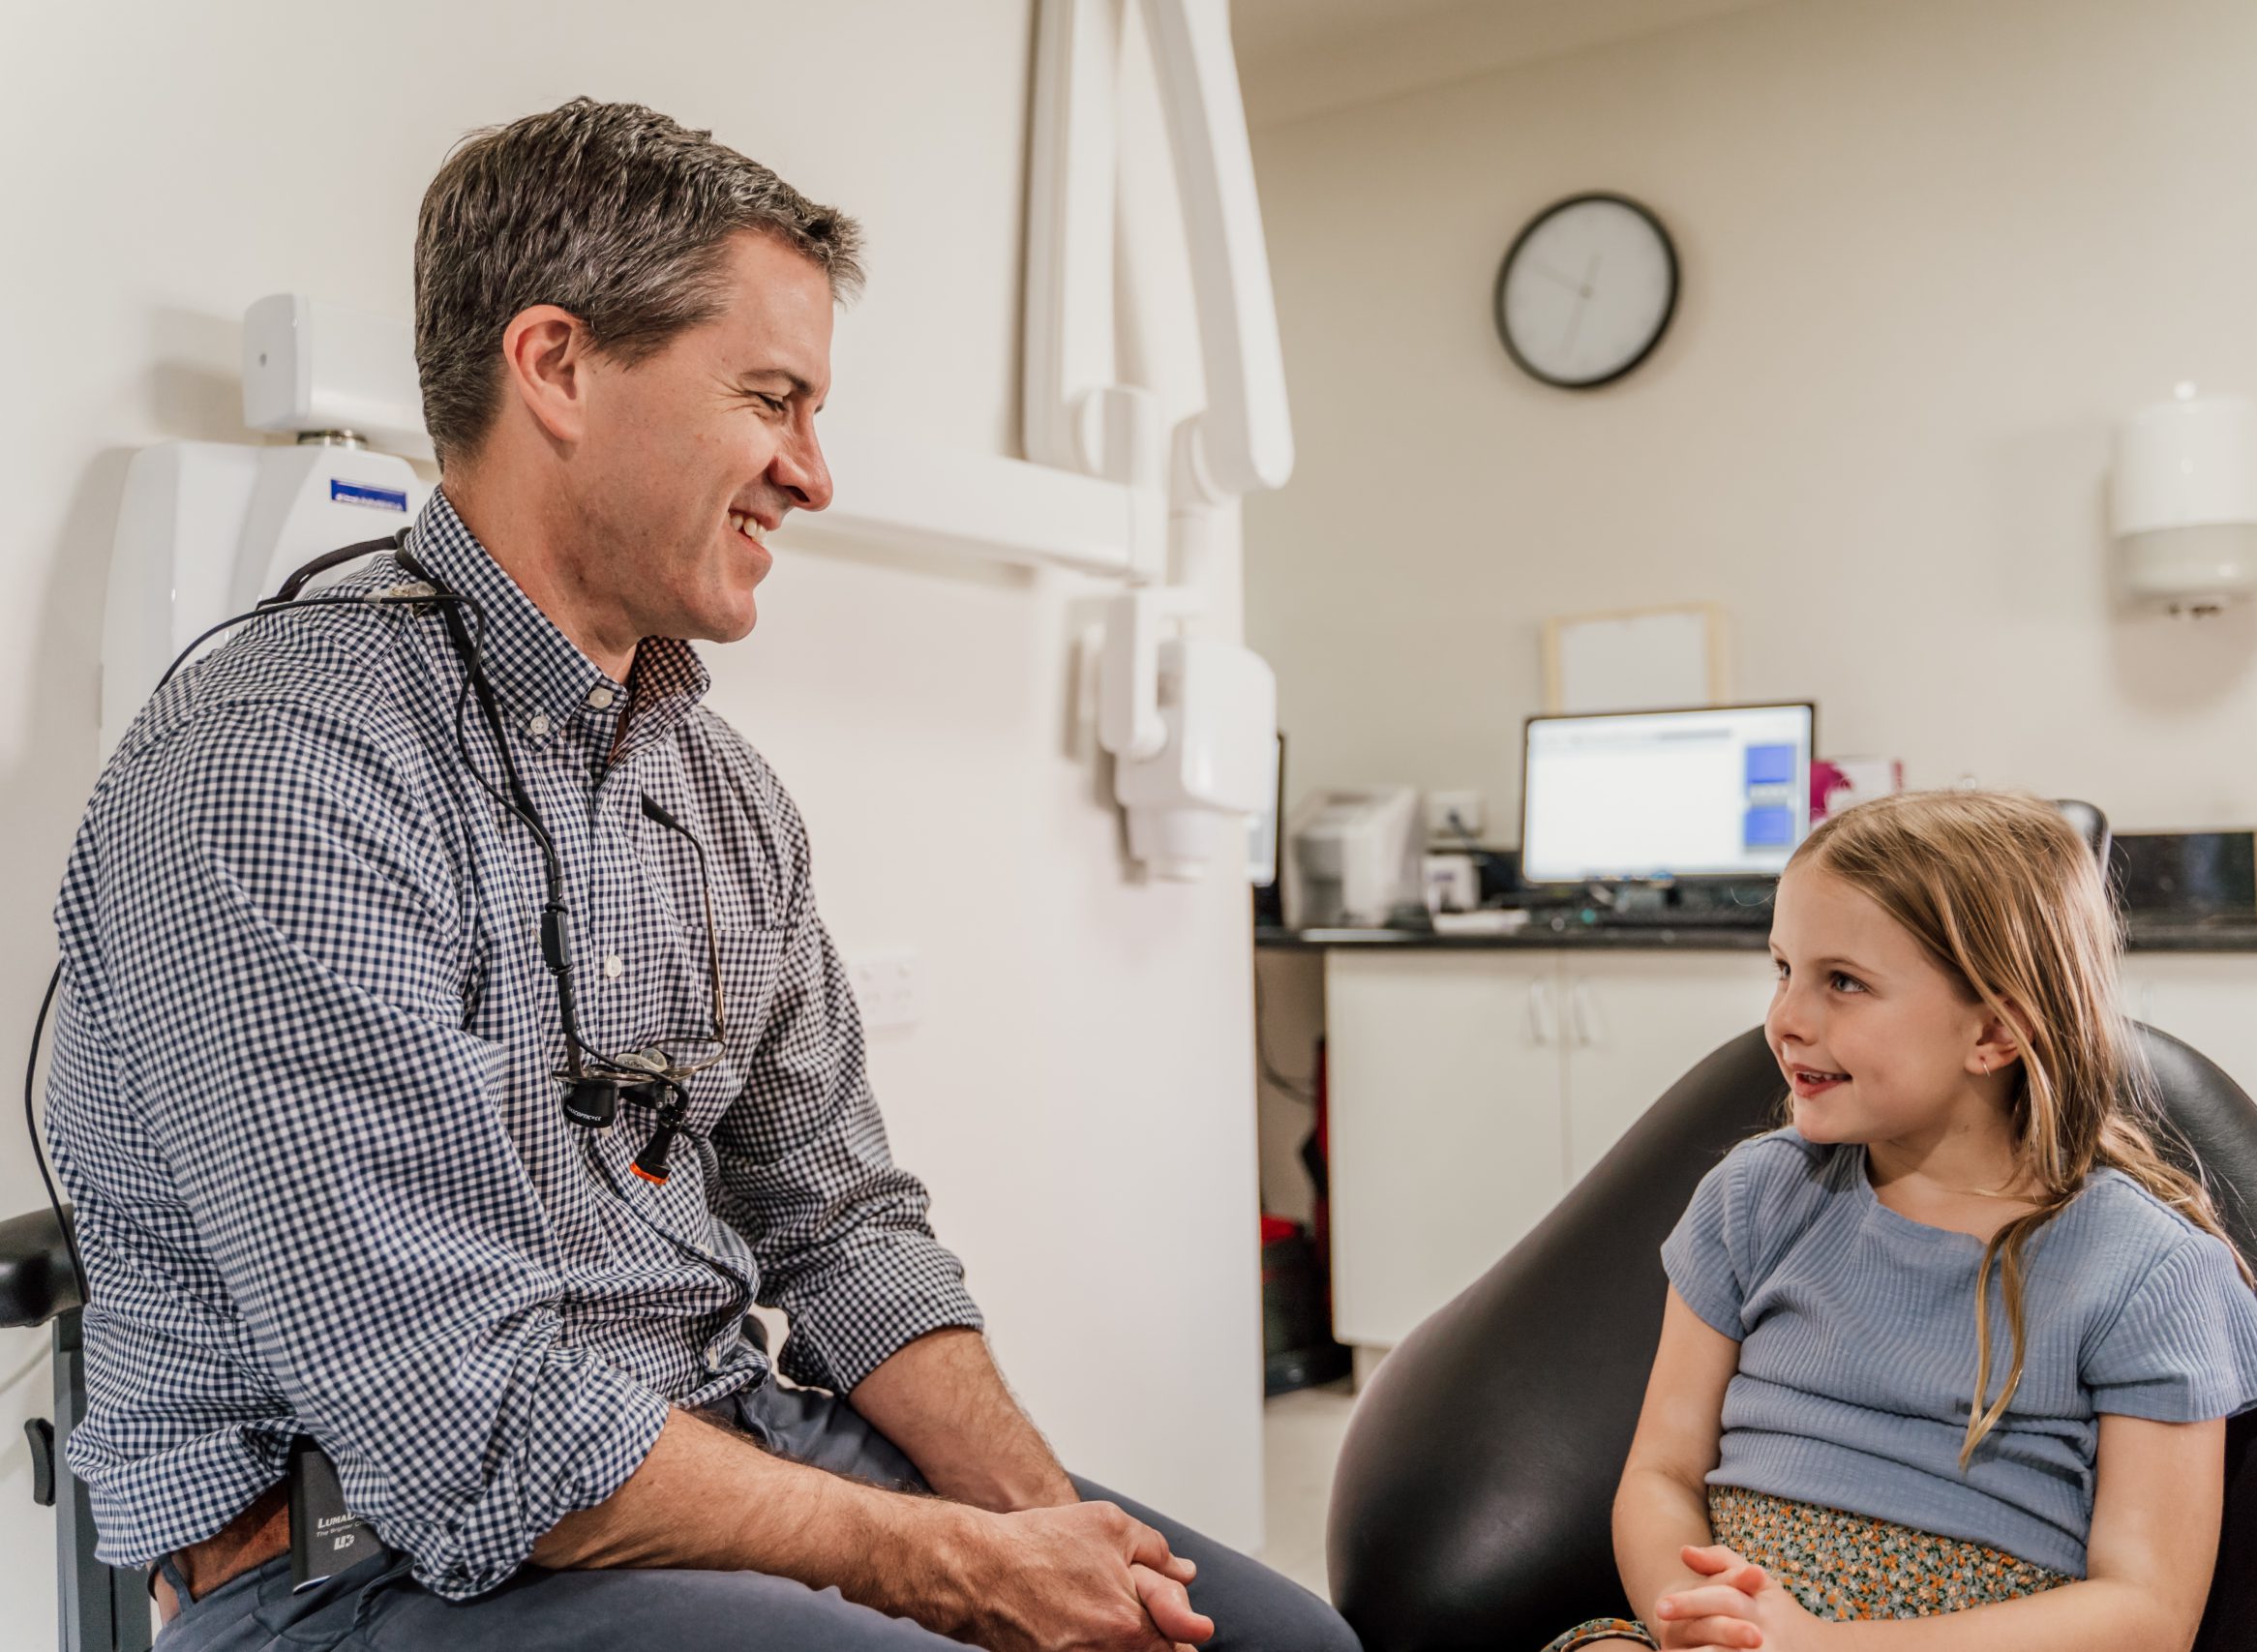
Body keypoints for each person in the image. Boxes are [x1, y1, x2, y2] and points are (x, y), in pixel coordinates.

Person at [45, 97, 1356, 1652]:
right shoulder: (281, 769)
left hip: (725, 1442)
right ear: (557, 367)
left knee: (1283, 1645)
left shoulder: (716, 790)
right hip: (368, 1559)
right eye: (772, 398)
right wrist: (947, 1568)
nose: (811, 472)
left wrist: (1043, 1526)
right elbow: (471, 1421)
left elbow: (843, 1219)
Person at [1550, 791, 2257, 1650]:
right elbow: (1661, 1470)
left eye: (1843, 982)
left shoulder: (2145, 1268)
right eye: (1782, 969)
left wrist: (1823, 1647)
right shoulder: (1753, 1199)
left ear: (1993, 1029)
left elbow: (2145, 1611)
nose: (1786, 1019)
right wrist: (1689, 1612)